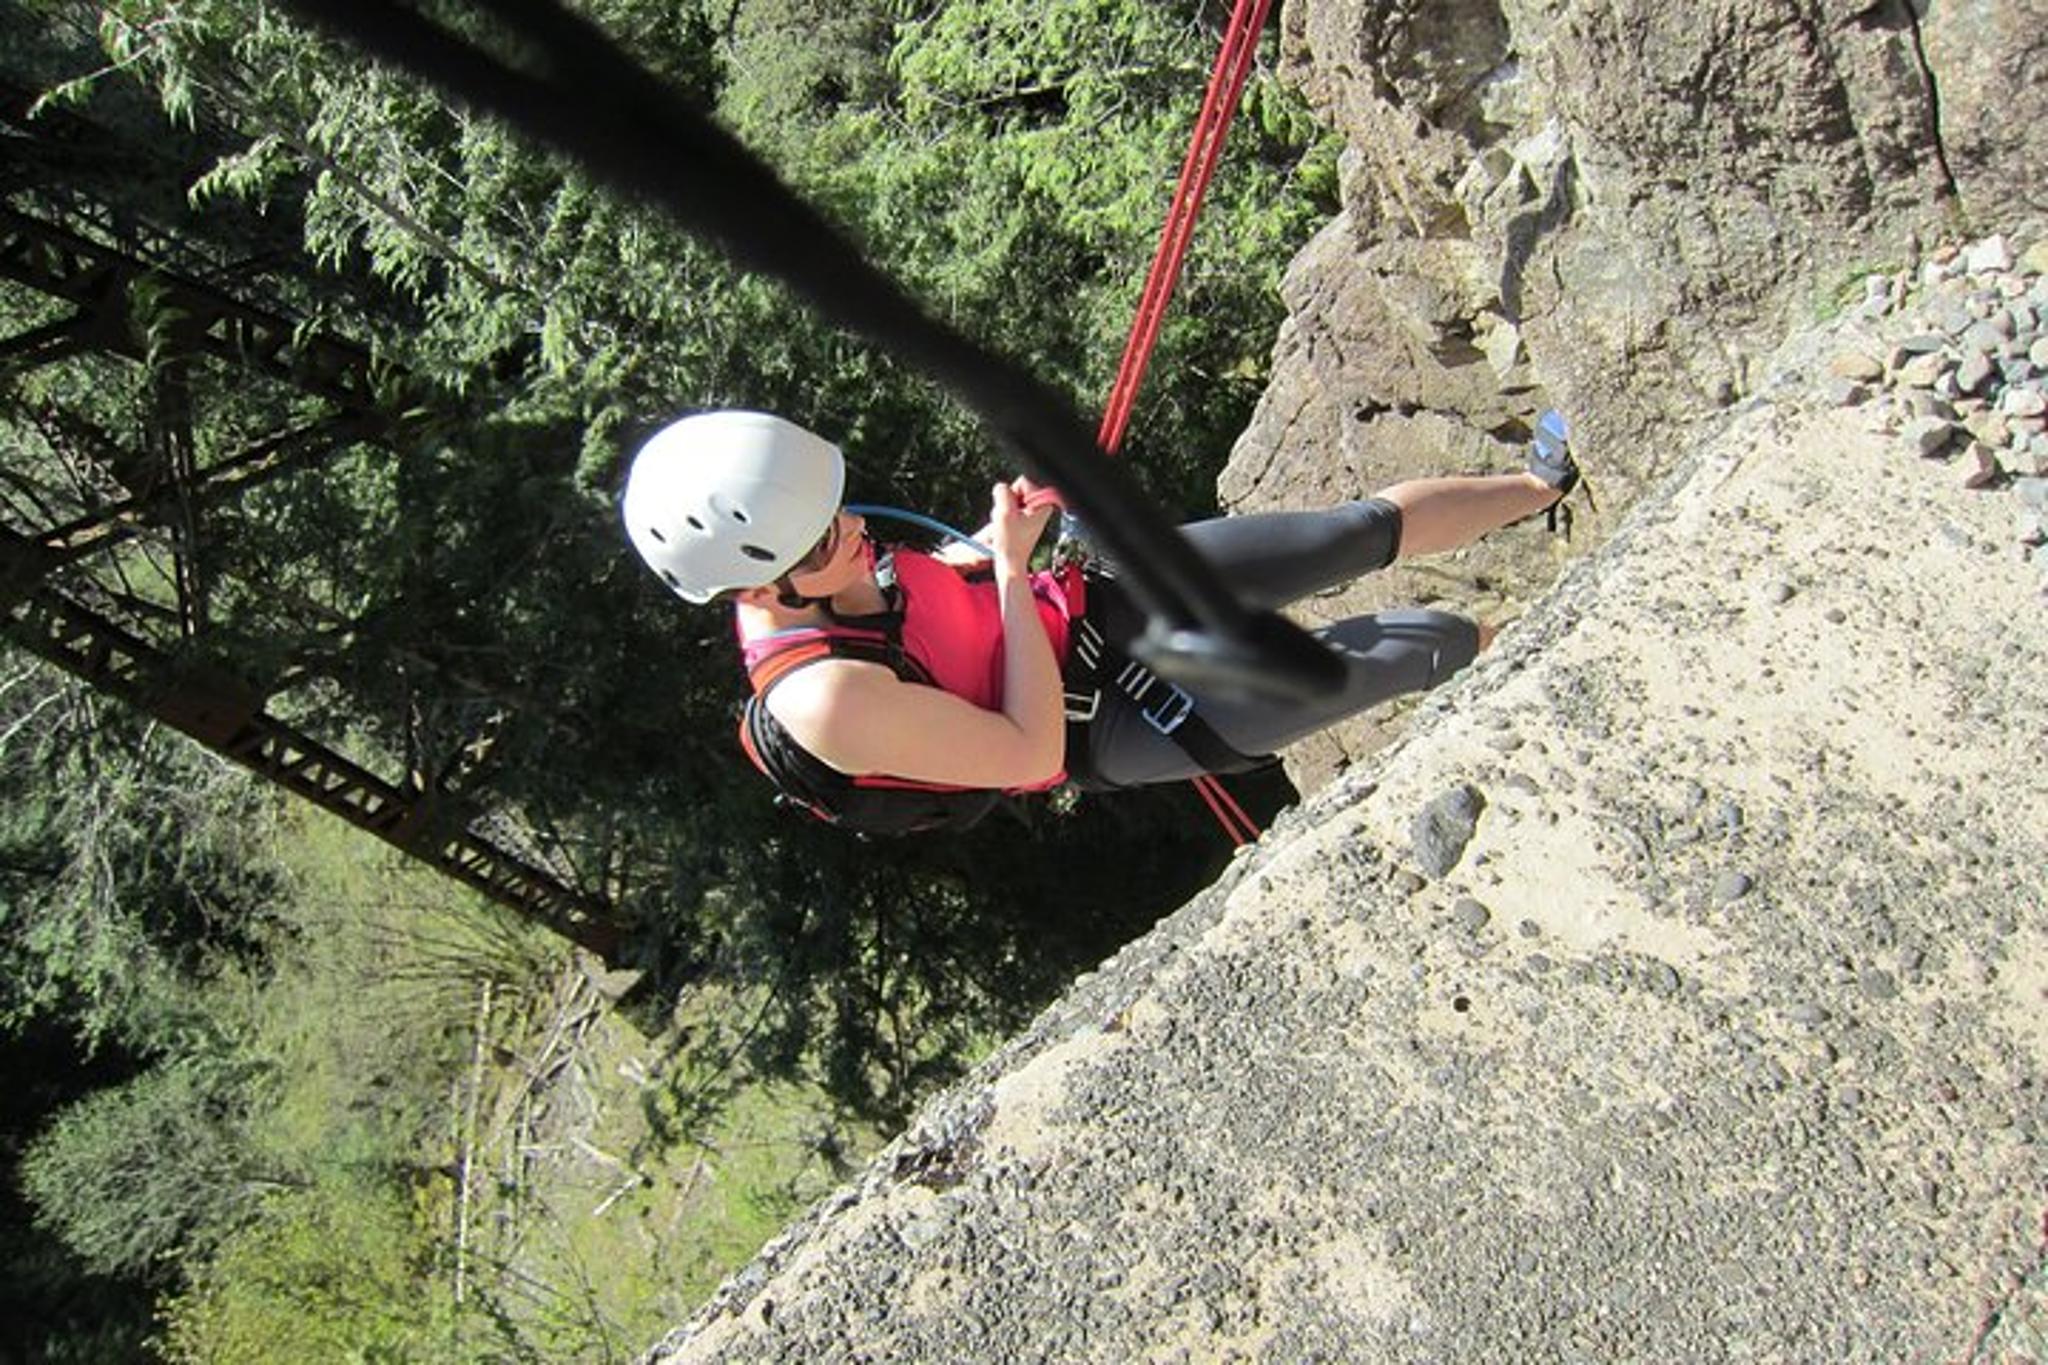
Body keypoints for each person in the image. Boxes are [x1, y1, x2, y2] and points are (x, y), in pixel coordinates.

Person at [622, 409, 1578, 833]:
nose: (856, 530)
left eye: (837, 510)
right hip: (1107, 719)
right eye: (827, 541)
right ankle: (1557, 647)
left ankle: (1539, 484)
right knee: (1399, 650)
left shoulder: (813, 550)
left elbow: (943, 591)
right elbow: (1029, 749)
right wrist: (1007, 570)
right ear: (762, 591)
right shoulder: (824, 700)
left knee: (1341, 536)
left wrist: (1013, 539)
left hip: (1091, 603)